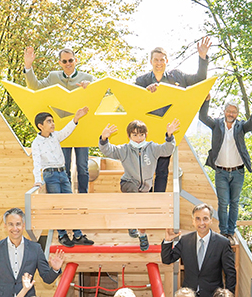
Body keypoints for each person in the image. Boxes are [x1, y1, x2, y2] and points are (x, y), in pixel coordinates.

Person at [134, 37, 211, 192]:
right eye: (156, 60)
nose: (159, 63)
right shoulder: (141, 80)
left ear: (166, 61)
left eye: (162, 60)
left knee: (162, 170)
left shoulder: (177, 77)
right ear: (151, 61)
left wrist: (202, 58)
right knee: (146, 170)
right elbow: (131, 99)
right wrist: (145, 92)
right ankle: (147, 200)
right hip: (146, 133)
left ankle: (159, 201)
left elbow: (199, 80)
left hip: (167, 132)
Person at [98, 119, 179, 251]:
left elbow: (167, 150)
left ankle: (142, 234)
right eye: (134, 135)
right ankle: (131, 224)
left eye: (141, 135)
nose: (138, 138)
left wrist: (169, 136)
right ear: (129, 136)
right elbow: (108, 151)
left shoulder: (152, 148)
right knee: (134, 195)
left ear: (146, 135)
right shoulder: (125, 150)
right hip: (128, 183)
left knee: (142, 211)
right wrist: (104, 138)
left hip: (145, 188)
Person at [23, 46, 95, 194]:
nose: (68, 63)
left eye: (70, 60)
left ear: (75, 60)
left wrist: (91, 88)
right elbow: (35, 87)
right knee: (65, 166)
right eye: (64, 61)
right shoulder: (53, 77)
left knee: (82, 167)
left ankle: (83, 197)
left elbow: (99, 96)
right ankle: (66, 200)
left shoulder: (87, 78)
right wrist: (28, 66)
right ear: (60, 63)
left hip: (81, 127)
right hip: (62, 130)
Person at [199, 96, 252, 242]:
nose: (231, 114)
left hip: (238, 171)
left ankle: (231, 233)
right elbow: (202, 117)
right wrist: (206, 101)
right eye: (229, 111)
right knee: (223, 203)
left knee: (234, 202)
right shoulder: (216, 124)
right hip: (221, 171)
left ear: (237, 114)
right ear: (224, 111)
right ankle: (224, 233)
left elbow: (250, 125)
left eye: (234, 112)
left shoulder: (240, 127)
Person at [31, 108, 94, 247]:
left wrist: (76, 118)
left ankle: (77, 235)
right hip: (50, 175)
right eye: (49, 122)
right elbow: (36, 162)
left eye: (52, 121)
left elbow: (67, 131)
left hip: (63, 173)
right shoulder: (36, 143)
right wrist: (38, 180)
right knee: (58, 206)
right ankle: (62, 235)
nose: (52, 124)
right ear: (40, 126)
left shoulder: (55, 137)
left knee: (70, 204)